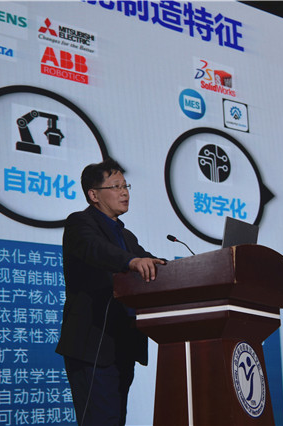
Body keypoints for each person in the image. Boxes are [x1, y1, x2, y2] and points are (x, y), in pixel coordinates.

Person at [56, 158, 165, 425]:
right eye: (116, 186)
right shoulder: (80, 224)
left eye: (125, 186)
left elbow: (151, 262)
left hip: (122, 345)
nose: (124, 192)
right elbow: (97, 250)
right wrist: (131, 261)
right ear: (94, 195)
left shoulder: (127, 236)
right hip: (92, 345)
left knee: (116, 420)